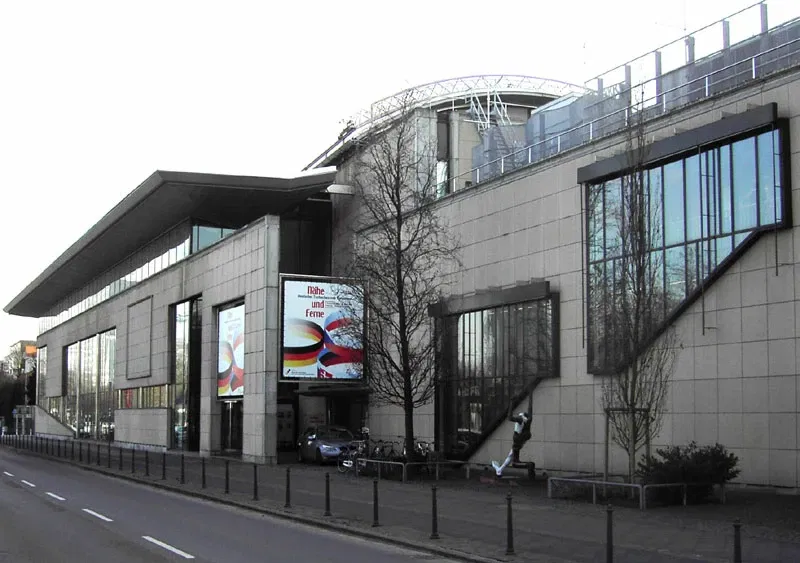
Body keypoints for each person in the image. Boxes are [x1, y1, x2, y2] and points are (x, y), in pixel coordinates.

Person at [491, 407, 532, 477]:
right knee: (511, 455)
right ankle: (499, 470)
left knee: (512, 456)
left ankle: (499, 470)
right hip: (519, 438)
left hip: (517, 438)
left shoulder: (520, 419)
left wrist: (511, 403)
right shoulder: (524, 421)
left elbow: (510, 418)